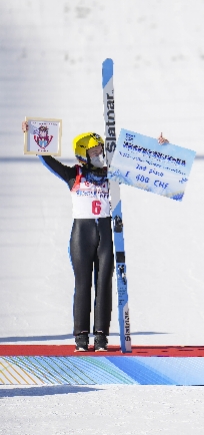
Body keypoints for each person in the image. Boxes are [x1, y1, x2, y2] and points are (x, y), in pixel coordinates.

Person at [21, 121, 167, 352]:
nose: (100, 154)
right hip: (82, 234)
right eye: (95, 151)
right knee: (83, 284)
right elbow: (48, 160)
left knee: (104, 284)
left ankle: (101, 336)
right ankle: (81, 336)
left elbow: (142, 165)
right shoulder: (74, 174)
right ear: (83, 155)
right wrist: (33, 136)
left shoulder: (113, 173)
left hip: (106, 234)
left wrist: (159, 148)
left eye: (101, 149)